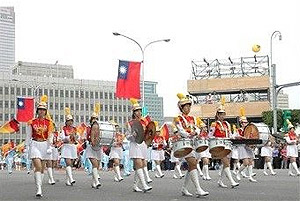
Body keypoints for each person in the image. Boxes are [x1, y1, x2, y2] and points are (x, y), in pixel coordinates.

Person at [174, 93, 209, 197]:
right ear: (181, 107)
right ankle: (198, 189)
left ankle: (184, 188)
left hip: (194, 143)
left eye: (189, 106)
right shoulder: (178, 118)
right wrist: (189, 133)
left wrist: (197, 131)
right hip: (185, 143)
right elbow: (180, 130)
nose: (188, 108)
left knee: (192, 165)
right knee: (193, 163)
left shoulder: (194, 118)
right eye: (186, 106)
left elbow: (200, 127)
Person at [25, 95, 54, 197]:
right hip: (35, 144)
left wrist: (50, 146)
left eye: (43, 110)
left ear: (46, 112)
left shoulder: (49, 123)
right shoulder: (31, 122)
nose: (41, 111)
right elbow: (28, 136)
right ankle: (39, 188)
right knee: (37, 166)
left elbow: (50, 135)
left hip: (45, 145)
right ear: (37, 111)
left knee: (42, 168)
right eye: (40, 110)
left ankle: (39, 185)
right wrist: (26, 147)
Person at [208, 97, 239, 188]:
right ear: (217, 115)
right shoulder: (214, 124)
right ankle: (232, 181)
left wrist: (235, 136)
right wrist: (217, 139)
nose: (222, 116)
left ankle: (220, 181)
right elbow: (210, 136)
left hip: (227, 145)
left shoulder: (227, 124)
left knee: (226, 163)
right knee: (226, 163)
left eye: (223, 114)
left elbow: (229, 135)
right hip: (219, 146)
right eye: (220, 114)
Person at [126, 98, 152, 192]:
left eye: (140, 110)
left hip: (143, 145)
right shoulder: (130, 123)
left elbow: (149, 133)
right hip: (135, 144)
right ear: (133, 112)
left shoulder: (144, 121)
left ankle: (135, 185)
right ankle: (144, 185)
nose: (139, 112)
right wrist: (132, 136)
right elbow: (127, 137)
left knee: (140, 165)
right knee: (139, 164)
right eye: (137, 111)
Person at [235, 109, 257, 183]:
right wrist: (240, 137)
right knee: (245, 162)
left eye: (246, 122)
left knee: (250, 161)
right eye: (244, 123)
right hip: (241, 146)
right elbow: (235, 136)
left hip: (248, 146)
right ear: (241, 123)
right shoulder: (239, 130)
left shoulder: (249, 130)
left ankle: (250, 177)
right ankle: (238, 172)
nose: (246, 124)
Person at [85, 103, 102, 188]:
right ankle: (97, 181)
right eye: (93, 118)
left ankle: (93, 182)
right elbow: (87, 137)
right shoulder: (88, 128)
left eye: (96, 118)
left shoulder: (100, 127)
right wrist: (92, 139)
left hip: (98, 147)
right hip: (90, 147)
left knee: (97, 166)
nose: (95, 120)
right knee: (95, 164)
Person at [60, 107, 78, 186]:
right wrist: (68, 137)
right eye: (68, 121)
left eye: (71, 121)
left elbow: (78, 138)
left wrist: (75, 136)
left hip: (73, 146)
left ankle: (67, 180)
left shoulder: (75, 129)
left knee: (70, 164)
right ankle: (71, 179)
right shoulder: (63, 129)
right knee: (68, 162)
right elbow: (62, 138)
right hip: (66, 146)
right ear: (66, 122)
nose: (70, 122)